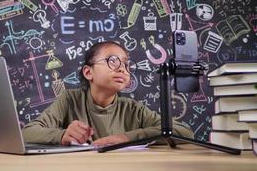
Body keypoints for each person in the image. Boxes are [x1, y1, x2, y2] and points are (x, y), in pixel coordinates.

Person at [23, 41, 194, 147]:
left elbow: (184, 132)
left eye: (127, 65)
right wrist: (62, 135)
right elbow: (28, 132)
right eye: (112, 61)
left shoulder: (134, 109)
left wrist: (127, 137)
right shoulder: (70, 99)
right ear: (88, 72)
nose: (122, 68)